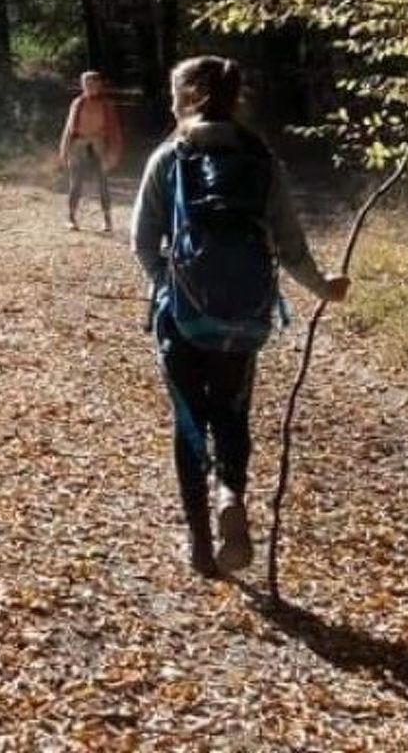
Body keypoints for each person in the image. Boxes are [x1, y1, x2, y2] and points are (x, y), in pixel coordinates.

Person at [131, 55, 350, 578]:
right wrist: (325, 288)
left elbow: (142, 240)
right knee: (232, 413)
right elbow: (291, 245)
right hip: (246, 317)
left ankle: (201, 544)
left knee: (189, 422)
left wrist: (170, 287)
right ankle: (229, 488)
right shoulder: (260, 158)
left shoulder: (171, 155)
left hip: (182, 317)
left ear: (185, 96)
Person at [58, 70, 123, 232]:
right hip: (79, 144)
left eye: (94, 83)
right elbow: (69, 127)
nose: (91, 86)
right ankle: (71, 218)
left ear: (99, 85)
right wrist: (64, 149)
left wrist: (114, 152)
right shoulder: (77, 103)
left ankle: (107, 220)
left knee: (103, 183)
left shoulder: (106, 105)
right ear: (82, 85)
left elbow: (114, 130)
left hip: (98, 144)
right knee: (76, 182)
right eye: (87, 83)